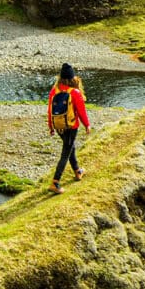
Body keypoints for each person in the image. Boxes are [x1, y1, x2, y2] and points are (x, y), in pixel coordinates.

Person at [46, 62, 90, 192]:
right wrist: (87, 125)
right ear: (72, 78)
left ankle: (77, 171)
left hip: (58, 126)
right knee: (66, 152)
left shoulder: (54, 91)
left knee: (70, 147)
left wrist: (51, 126)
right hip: (71, 126)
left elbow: (50, 110)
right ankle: (55, 182)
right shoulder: (75, 92)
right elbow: (81, 112)